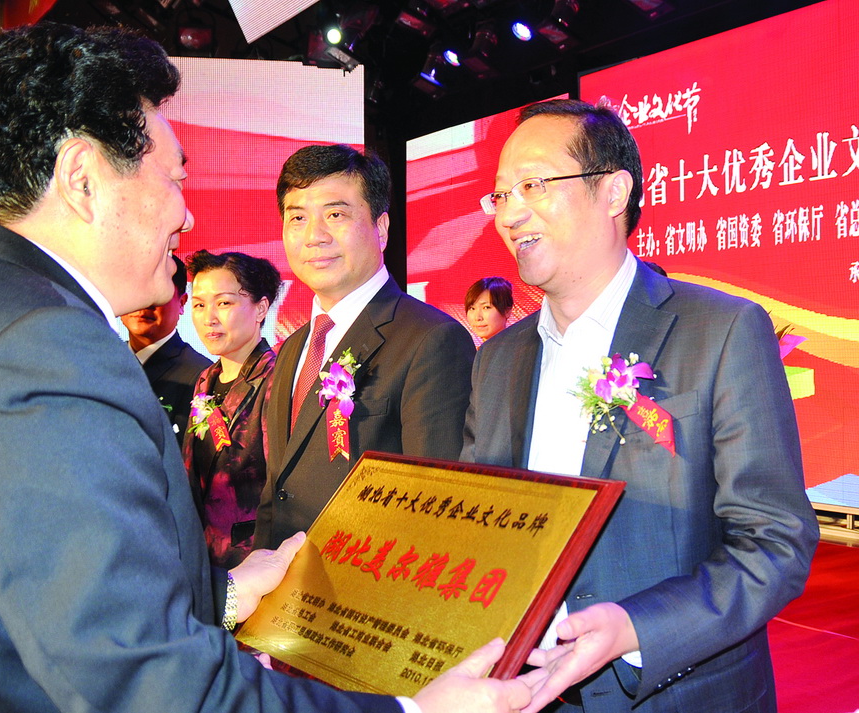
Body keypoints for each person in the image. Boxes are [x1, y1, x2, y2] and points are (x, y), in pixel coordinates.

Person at [0, 23, 540, 713]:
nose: (187, 217)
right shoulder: (44, 348)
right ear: (82, 179)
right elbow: (151, 683)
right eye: (175, 178)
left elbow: (53, 594)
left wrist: (226, 595)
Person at [462, 98, 819, 712]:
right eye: (500, 194)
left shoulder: (721, 331)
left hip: (673, 693)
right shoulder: (497, 361)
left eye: (534, 185)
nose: (510, 213)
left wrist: (634, 630)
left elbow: (775, 541)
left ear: (613, 191)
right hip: (522, 692)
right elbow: (478, 525)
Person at [255, 144, 476, 548]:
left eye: (335, 215)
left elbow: (436, 508)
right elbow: (278, 489)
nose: (314, 236)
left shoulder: (431, 339)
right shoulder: (292, 349)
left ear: (382, 228)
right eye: (298, 217)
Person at [183, 249, 281, 567]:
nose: (209, 318)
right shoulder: (205, 380)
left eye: (224, 303)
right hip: (202, 559)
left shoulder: (278, 378)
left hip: (255, 559)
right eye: (199, 305)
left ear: (261, 308)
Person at [121, 254, 212, 446]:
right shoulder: (100, 362)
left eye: (157, 292)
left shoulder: (203, 376)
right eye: (134, 290)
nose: (144, 303)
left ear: (182, 302)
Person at [464, 276, 513, 343]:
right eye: (472, 308)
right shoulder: (471, 349)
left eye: (486, 307)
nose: (478, 318)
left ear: (507, 311)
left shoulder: (519, 347)